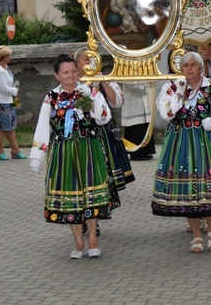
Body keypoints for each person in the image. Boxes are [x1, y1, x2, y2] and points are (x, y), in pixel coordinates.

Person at [29, 54, 119, 259]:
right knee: (71, 196)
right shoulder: (51, 97)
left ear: (78, 72)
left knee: (90, 194)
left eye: (73, 71)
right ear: (56, 75)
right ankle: (79, 242)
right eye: (65, 72)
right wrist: (38, 154)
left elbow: (105, 118)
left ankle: (93, 240)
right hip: (63, 152)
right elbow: (43, 126)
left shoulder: (89, 91)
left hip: (89, 148)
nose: (70, 76)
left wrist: (91, 102)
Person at [152, 51, 211, 253]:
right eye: (186, 65)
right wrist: (178, 94)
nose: (189, 68)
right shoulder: (172, 87)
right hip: (180, 142)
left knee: (209, 186)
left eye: (193, 64)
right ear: (181, 69)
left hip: (207, 141)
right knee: (188, 189)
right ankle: (195, 235)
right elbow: (166, 113)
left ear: (201, 68)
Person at [73, 48, 133, 190]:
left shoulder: (105, 78)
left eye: (93, 59)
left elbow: (118, 102)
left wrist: (103, 82)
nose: (90, 63)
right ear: (76, 63)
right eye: (86, 59)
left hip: (103, 128)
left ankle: (107, 183)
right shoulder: (73, 80)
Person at [0, 45, 26, 161]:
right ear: (5, 57)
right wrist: (15, 91)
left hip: (6, 101)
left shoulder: (5, 67)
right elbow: (4, 88)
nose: (11, 57)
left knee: (10, 127)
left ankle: (15, 150)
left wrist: (13, 93)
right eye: (9, 55)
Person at [122, 83, 155, 160]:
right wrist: (146, 87)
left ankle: (146, 151)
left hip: (144, 100)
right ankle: (137, 153)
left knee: (145, 124)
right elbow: (131, 84)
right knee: (136, 127)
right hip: (134, 102)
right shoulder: (127, 71)